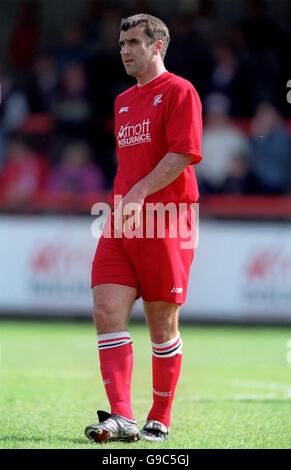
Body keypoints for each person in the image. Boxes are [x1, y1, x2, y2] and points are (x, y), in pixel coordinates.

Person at [85, 13, 203, 444]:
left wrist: (138, 193)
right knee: (105, 310)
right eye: (121, 44)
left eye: (134, 42)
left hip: (167, 219)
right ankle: (121, 416)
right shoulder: (121, 102)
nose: (125, 51)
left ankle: (160, 415)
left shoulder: (180, 91)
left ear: (157, 46)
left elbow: (183, 154)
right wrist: (126, 200)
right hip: (122, 218)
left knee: (161, 324)